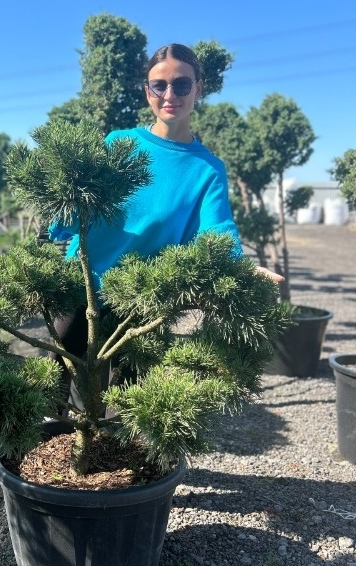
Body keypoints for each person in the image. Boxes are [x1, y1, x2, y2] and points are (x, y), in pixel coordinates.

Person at [48, 42, 280, 406]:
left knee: (127, 411)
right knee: (60, 395)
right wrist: (59, 217)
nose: (170, 94)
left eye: (182, 84)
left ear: (198, 89)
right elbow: (78, 204)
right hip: (83, 289)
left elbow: (217, 231)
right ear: (147, 91)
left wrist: (241, 271)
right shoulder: (119, 144)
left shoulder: (208, 170)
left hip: (142, 301)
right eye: (159, 85)